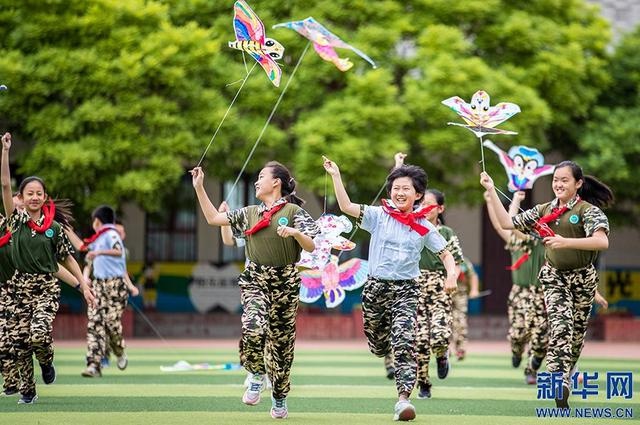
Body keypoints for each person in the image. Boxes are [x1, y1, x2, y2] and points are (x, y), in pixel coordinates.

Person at [323, 156, 457, 421]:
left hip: (407, 290)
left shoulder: (424, 226)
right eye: (396, 188)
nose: (399, 192)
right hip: (375, 289)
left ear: (418, 195)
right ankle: (382, 349)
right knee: (378, 345)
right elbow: (346, 206)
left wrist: (451, 275)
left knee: (404, 341)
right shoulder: (377, 216)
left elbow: (445, 254)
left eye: (406, 188)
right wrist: (336, 176)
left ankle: (404, 399)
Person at [480, 160, 613, 409]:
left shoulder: (587, 211)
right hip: (554, 278)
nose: (558, 184)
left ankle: (567, 374)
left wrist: (566, 242)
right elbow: (508, 223)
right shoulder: (543, 210)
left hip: (583, 279)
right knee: (560, 327)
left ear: (578, 183)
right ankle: (558, 381)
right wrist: (490, 191)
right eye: (555, 180)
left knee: (575, 337)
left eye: (564, 180)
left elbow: (601, 242)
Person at [191, 161, 318, 419]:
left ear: (276, 183)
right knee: (252, 327)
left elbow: (312, 246)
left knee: (282, 348)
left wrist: (294, 232)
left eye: (262, 177)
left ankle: (279, 397)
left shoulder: (294, 211)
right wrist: (199, 188)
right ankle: (257, 374)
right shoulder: (249, 212)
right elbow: (214, 219)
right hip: (255, 279)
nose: (257, 181)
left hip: (285, 282)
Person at [1, 132, 93, 404]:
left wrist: (83, 285)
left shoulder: (53, 229)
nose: (34, 197)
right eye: (29, 193)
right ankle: (28, 391)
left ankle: (47, 361)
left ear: (44, 198)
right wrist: (5, 151)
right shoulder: (14, 222)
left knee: (39, 335)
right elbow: (5, 184)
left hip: (45, 288)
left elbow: (67, 259)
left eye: (38, 194)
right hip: (18, 290)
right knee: (19, 344)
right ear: (22, 197)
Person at [485, 190, 547, 384]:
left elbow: (511, 224)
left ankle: (532, 367)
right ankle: (517, 351)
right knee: (518, 333)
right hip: (519, 293)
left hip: (540, 294)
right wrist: (497, 201)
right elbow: (501, 225)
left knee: (541, 336)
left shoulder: (540, 242)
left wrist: (516, 201)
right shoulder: (515, 242)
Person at [65, 206, 131, 378]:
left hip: (115, 286)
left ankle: (120, 350)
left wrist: (99, 252)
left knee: (111, 325)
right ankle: (93, 365)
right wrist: (68, 230)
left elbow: (118, 251)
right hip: (98, 285)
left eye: (94, 220)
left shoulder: (111, 234)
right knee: (94, 324)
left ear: (98, 220)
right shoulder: (98, 237)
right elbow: (82, 246)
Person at [414, 188, 464, 400]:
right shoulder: (412, 227)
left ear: (440, 208)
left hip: (440, 286)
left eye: (429, 204)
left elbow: (457, 262)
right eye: (421, 203)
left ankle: (443, 355)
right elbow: (396, 200)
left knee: (440, 334)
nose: (424, 208)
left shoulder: (446, 233)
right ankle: (424, 383)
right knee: (420, 340)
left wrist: (451, 277)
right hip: (415, 286)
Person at [451, 256, 479, 361]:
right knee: (442, 323)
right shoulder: (437, 258)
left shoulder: (463, 261)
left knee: (460, 322)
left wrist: (474, 290)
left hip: (460, 296)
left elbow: (473, 275)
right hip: (442, 295)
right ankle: (443, 351)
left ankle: (460, 349)